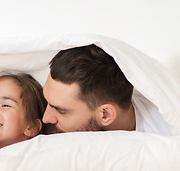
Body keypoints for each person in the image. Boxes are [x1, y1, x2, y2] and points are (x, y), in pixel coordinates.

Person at [42, 44, 172, 135]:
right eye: (47, 102)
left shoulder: (164, 138)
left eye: (60, 110)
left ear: (105, 114)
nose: (45, 118)